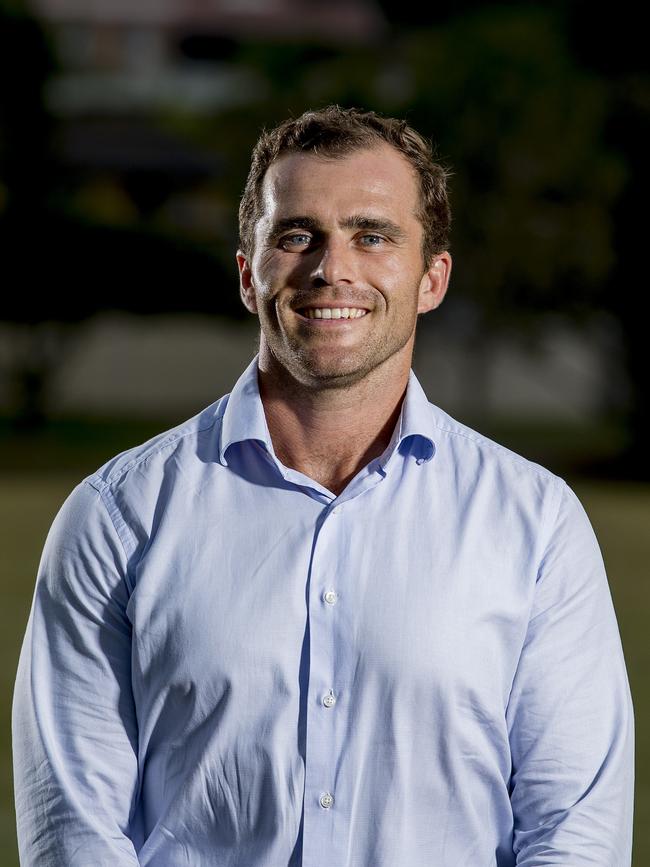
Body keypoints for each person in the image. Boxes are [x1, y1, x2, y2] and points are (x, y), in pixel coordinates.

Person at [12, 104, 634, 866]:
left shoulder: (536, 523)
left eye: (372, 235)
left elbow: (575, 832)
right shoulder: (116, 516)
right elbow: (73, 829)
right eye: (297, 234)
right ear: (249, 274)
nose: (331, 268)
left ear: (432, 278)